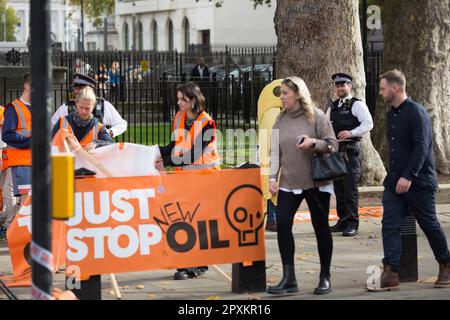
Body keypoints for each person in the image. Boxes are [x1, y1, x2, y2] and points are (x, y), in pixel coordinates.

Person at [367, 69, 450, 291]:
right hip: (394, 182)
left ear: (395, 88)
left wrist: (409, 176)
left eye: (383, 88)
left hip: (419, 182)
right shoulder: (391, 114)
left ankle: (445, 264)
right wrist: (397, 178)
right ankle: (391, 271)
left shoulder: (416, 112)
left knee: (429, 224)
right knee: (390, 224)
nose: (381, 92)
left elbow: (422, 147)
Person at [267, 77, 338, 295]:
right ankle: (289, 279)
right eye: (281, 93)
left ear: (297, 94)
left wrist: (313, 143)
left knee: (320, 227)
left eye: (285, 93)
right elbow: (275, 152)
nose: (282, 97)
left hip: (316, 182)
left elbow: (332, 144)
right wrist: (272, 178)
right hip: (289, 182)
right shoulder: (280, 119)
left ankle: (325, 277)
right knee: (283, 225)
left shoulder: (316, 116)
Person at [156, 82, 220, 280]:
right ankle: (187, 263)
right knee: (185, 221)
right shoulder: (179, 118)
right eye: (178, 98)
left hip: (205, 180)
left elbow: (195, 154)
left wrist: (165, 162)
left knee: (199, 223)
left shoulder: (207, 123)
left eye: (182, 99)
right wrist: (153, 152)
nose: (178, 102)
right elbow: (174, 145)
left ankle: (197, 265)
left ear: (193, 100)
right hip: (185, 179)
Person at [328, 73, 374, 237]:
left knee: (350, 190)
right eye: (338, 85)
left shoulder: (356, 105)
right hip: (335, 152)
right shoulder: (334, 106)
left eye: (343, 85)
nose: (340, 88)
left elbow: (368, 123)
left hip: (349, 152)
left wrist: (351, 132)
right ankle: (343, 221)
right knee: (339, 189)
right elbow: (327, 126)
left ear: (350, 86)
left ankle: (352, 223)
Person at [1, 73, 33, 239]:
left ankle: (17, 232)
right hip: (20, 161)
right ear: (27, 86)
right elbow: (7, 135)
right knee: (23, 199)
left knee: (26, 200)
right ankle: (15, 233)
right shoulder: (14, 108)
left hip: (33, 161)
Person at [51, 73, 127, 138]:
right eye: (75, 88)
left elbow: (121, 124)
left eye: (81, 88)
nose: (77, 91)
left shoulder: (104, 105)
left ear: (90, 89)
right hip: (72, 151)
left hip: (98, 150)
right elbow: (52, 126)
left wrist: (110, 132)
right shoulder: (67, 107)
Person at [51, 86, 113, 151]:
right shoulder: (62, 121)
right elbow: (49, 142)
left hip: (87, 160)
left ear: (93, 107)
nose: (83, 111)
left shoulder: (98, 127)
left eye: (87, 108)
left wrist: (97, 143)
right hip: (65, 160)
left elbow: (111, 145)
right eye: (81, 107)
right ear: (76, 104)